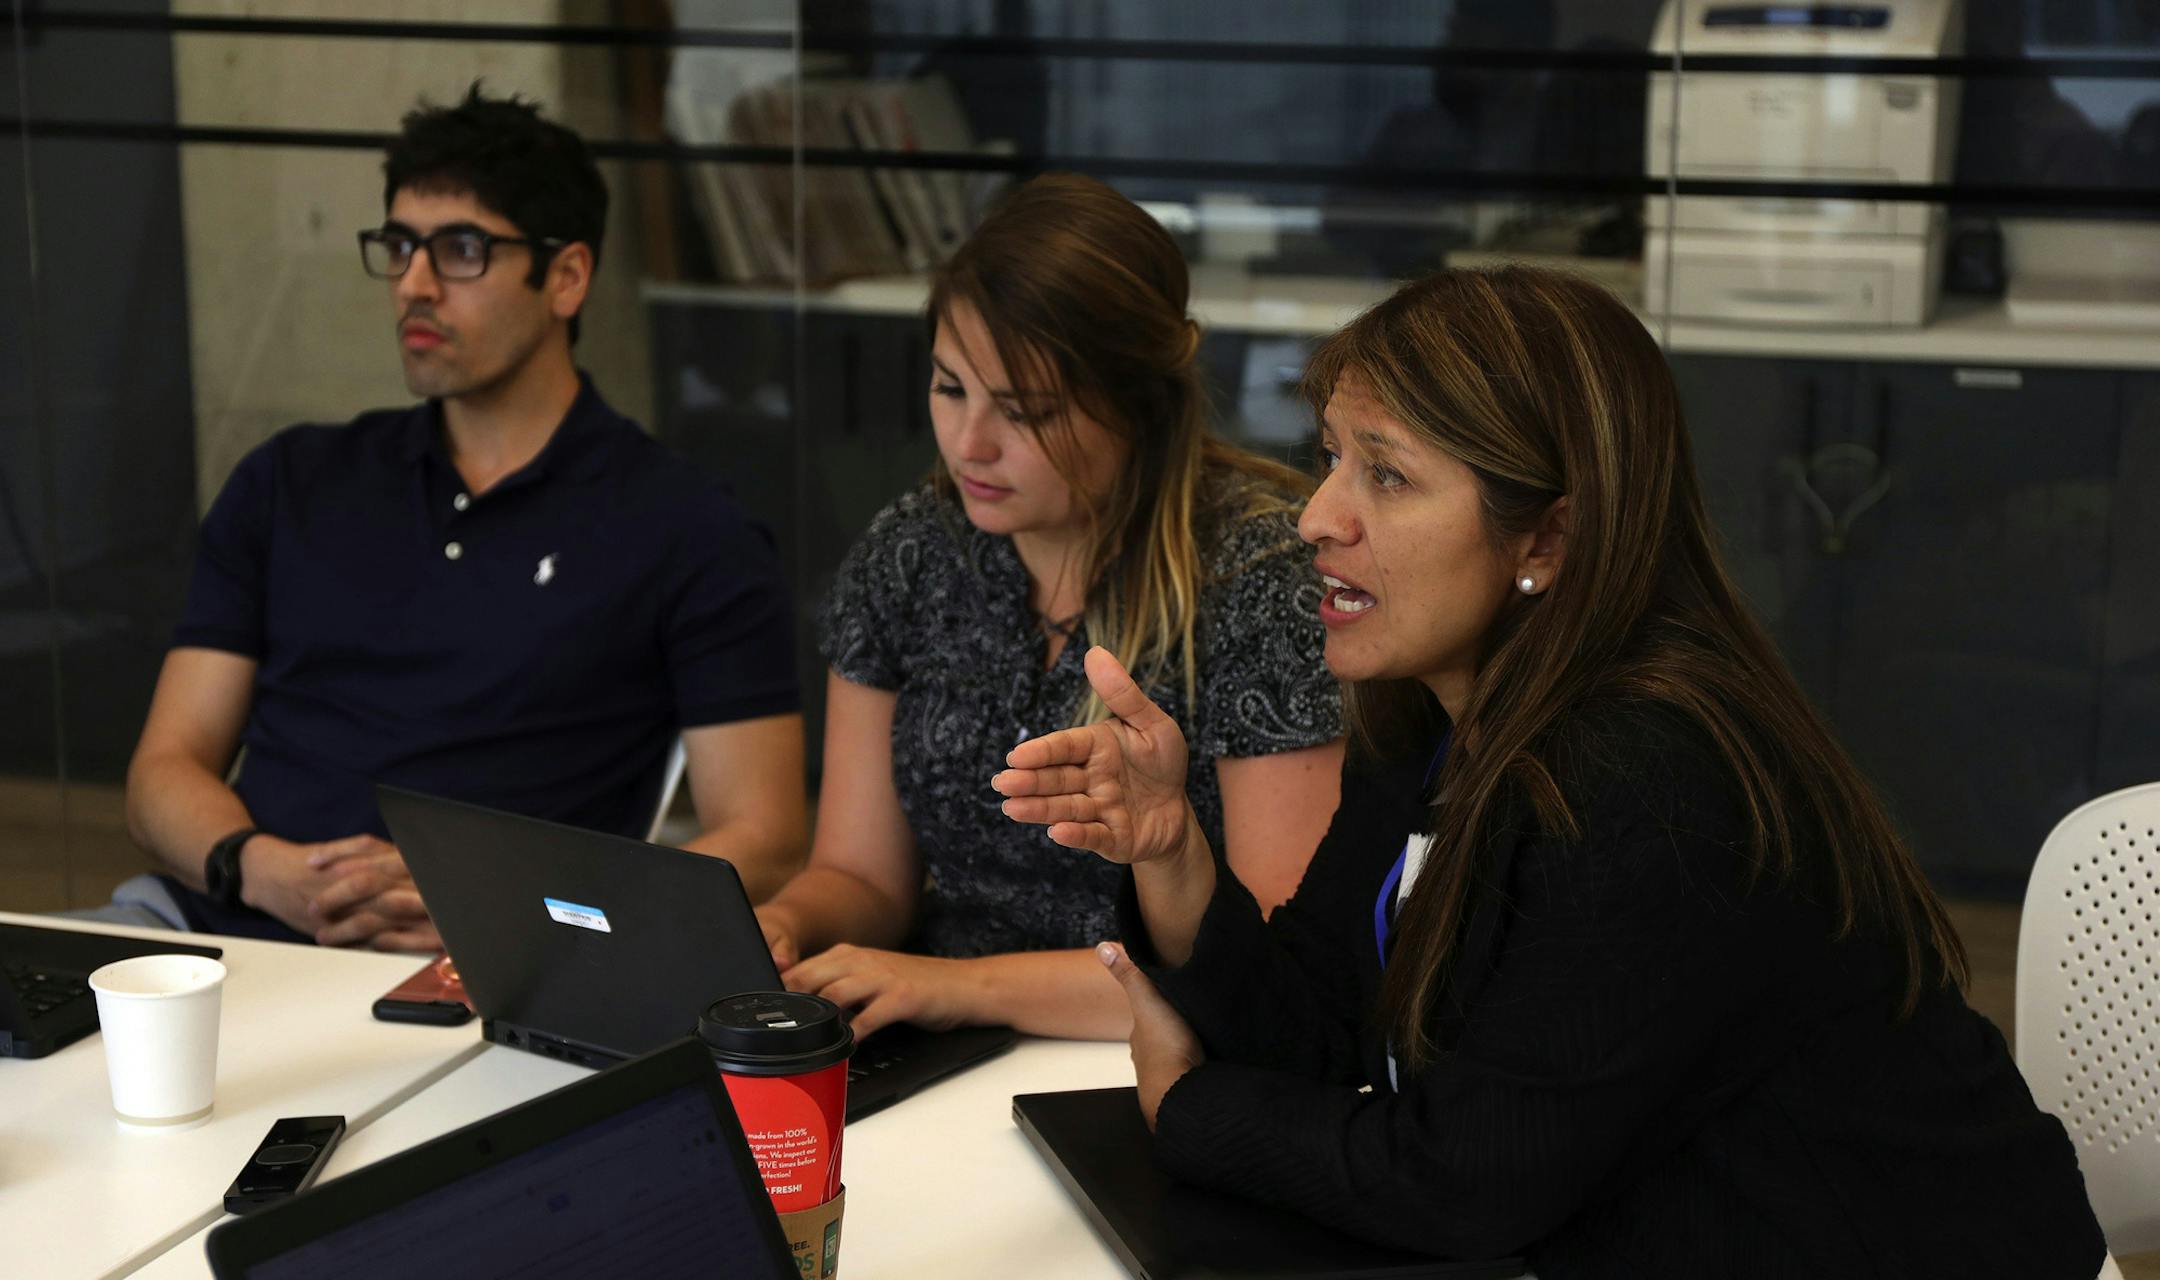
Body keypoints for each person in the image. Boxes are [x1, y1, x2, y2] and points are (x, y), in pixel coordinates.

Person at [995, 268, 2108, 1275]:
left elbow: (1464, 1178)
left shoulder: (1654, 777)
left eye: (1385, 474)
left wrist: (1188, 1108)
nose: (1318, 516)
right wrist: (1174, 853)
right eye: (1331, 454)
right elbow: (1323, 1025)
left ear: (1546, 541)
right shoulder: (1435, 711)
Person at [117, 86, 807, 949]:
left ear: (566, 277)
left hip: (492, 969)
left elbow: (767, 839)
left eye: (462, 250)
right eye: (400, 246)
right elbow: (162, 771)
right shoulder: (291, 481)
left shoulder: (687, 530)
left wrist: (516, 911)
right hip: (218, 925)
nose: (413, 284)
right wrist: (260, 869)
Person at [756, 174, 1345, 1040]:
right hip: (937, 1031)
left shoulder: (1258, 577)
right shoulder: (913, 551)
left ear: (1135, 404)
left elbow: (1268, 960)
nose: (969, 444)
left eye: (1025, 413)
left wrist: (956, 987)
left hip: (1163, 1052)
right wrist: (789, 924)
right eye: (950, 388)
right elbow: (864, 879)